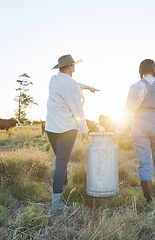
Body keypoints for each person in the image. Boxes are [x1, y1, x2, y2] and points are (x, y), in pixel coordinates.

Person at [46, 54, 99, 214]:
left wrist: (87, 87)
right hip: (66, 129)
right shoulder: (70, 84)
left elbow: (73, 84)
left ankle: (62, 189)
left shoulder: (53, 80)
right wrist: (85, 131)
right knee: (61, 164)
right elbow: (78, 110)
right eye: (74, 64)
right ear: (70, 66)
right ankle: (56, 205)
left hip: (51, 128)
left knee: (60, 163)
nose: (75, 66)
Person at [116, 59, 155, 203]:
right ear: (154, 68)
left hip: (140, 127)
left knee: (144, 162)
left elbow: (127, 111)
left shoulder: (135, 86)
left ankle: (148, 199)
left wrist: (119, 130)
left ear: (141, 70)